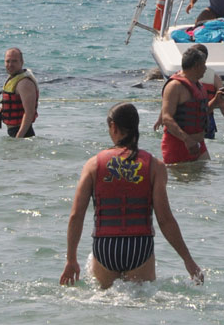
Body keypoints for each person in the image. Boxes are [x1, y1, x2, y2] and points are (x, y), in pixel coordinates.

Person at [59, 103, 204, 289]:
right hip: (139, 246)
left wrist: (71, 260)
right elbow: (165, 219)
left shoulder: (93, 165)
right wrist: (188, 260)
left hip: (105, 247)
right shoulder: (155, 166)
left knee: (104, 303)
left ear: (113, 127)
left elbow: (76, 215)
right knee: (142, 305)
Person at [159, 48, 210, 164]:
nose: (206, 69)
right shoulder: (175, 86)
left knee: (206, 179)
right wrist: (187, 139)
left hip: (198, 143)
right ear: (196, 66)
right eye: (204, 65)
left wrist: (217, 101)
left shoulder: (198, 85)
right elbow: (166, 118)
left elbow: (199, 113)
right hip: (178, 144)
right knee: (182, 181)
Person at [0, 48, 38, 139]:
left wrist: (18, 139)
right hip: (14, 133)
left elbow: (29, 113)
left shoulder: (24, 83)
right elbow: (5, 108)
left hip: (24, 134)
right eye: (7, 61)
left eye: (14, 61)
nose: (10, 65)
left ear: (22, 62)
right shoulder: (13, 79)